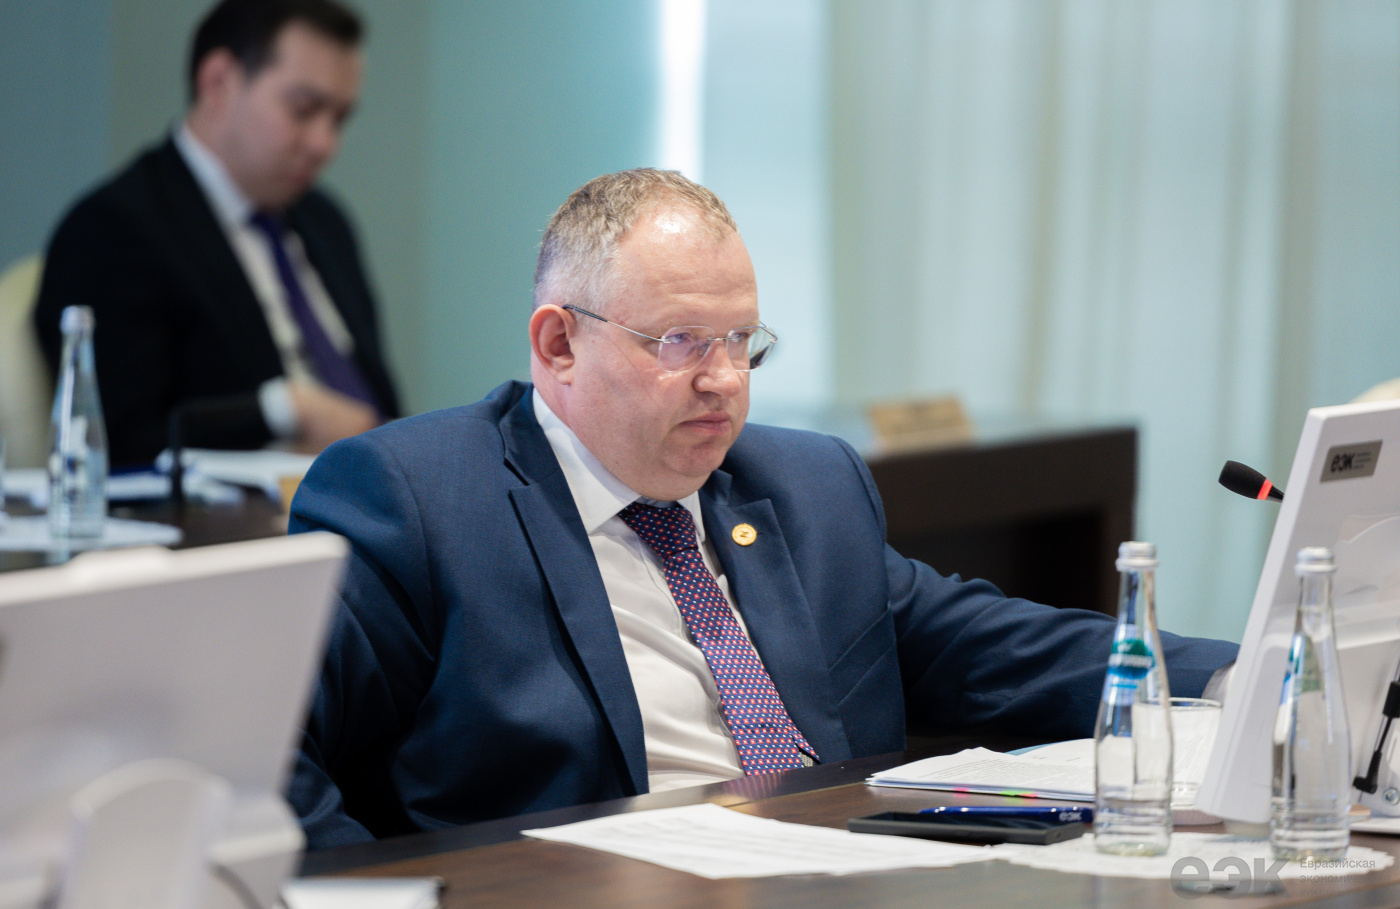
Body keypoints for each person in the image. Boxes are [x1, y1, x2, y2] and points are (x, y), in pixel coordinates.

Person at [287, 169, 1238, 848]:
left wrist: (1250, 674)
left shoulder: (805, 483)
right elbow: (268, 761)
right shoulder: (418, 499)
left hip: (833, 871)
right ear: (559, 345)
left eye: (743, 340)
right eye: (682, 341)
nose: (725, 381)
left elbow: (986, 646)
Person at [33, 0, 399, 467]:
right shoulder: (112, 229)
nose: (324, 144)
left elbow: (379, 400)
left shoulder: (325, 221)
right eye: (304, 110)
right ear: (218, 82)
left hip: (385, 490)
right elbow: (122, 440)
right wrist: (282, 409)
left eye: (340, 119)